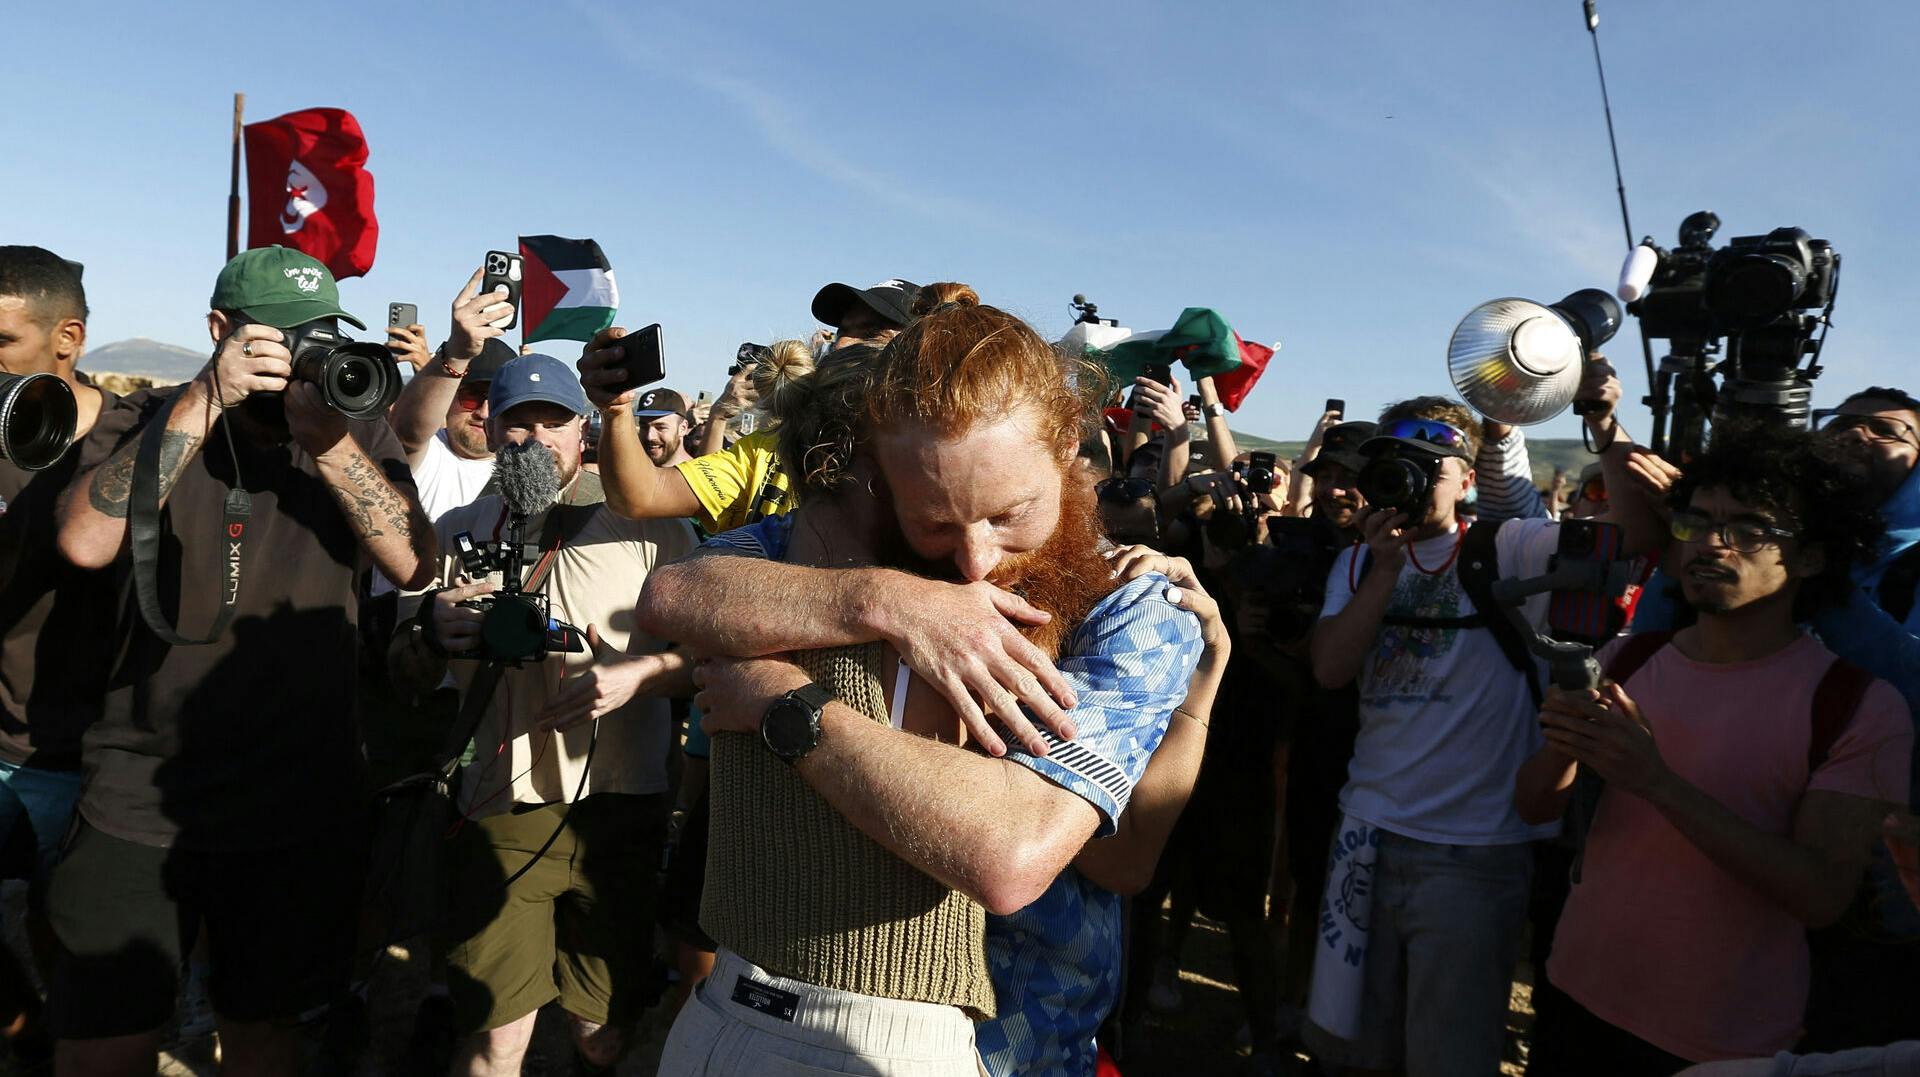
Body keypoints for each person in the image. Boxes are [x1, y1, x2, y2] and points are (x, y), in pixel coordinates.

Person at [639, 284, 1206, 1076]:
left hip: (1023, 1045)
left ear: (1070, 447)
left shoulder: (1134, 604)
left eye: (1010, 513)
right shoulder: (880, 547)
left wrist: (787, 705)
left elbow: (1015, 850)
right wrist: (891, 599)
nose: (974, 559)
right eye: (936, 521)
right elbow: (679, 594)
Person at [47, 246, 434, 1073]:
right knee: (104, 1047)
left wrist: (330, 446)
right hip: (139, 793)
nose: (304, 357)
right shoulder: (148, 414)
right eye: (280, 339)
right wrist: (204, 399)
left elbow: (414, 565)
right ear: (220, 331)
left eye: (320, 336)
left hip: (298, 797)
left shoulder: (351, 430)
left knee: (264, 1035)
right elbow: (85, 540)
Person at [1516, 420, 1912, 1073]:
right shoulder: (1628, 656)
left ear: (1811, 556)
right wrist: (1565, 744)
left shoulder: (1859, 706)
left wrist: (1656, 781)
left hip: (1722, 1044)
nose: (1710, 544)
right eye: (1696, 522)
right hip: (1576, 992)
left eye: (1748, 529)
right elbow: (1532, 805)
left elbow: (1819, 893)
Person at [1300, 371, 1656, 1077]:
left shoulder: (1511, 546)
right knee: (1358, 1049)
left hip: (1474, 847)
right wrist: (1382, 567)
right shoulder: (1355, 560)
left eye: (1428, 467)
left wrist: (1603, 425)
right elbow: (1331, 669)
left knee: (1448, 1052)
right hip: (1367, 829)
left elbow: (1639, 539)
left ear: (1465, 477)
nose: (1406, 480)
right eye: (1391, 464)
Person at [389, 353, 696, 1075]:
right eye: (516, 420)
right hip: (498, 805)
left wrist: (640, 679)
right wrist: (431, 633)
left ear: (582, 429)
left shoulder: (649, 526)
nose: (534, 437)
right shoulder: (459, 529)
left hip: (617, 806)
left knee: (598, 1029)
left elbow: (711, 657)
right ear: (490, 428)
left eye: (552, 421)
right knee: (497, 1035)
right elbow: (406, 671)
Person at [0, 245, 118, 1066]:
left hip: (103, 765)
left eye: (1, 341)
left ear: (66, 338)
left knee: (78, 959)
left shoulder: (142, 443)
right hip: (2, 744)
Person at [578, 279, 915, 530]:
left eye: (870, 335)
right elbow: (641, 495)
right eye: (841, 332)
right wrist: (617, 410)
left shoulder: (929, 468)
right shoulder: (772, 448)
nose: (842, 345)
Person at [387, 267, 524, 521]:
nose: (483, 413)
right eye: (472, 395)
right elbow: (407, 434)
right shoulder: (429, 452)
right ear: (449, 395)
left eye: (496, 402)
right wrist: (457, 352)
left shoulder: (524, 472)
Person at [633, 387, 696, 468]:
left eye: (660, 428)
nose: (650, 436)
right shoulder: (632, 471)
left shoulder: (696, 477)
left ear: (683, 428)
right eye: (644, 427)